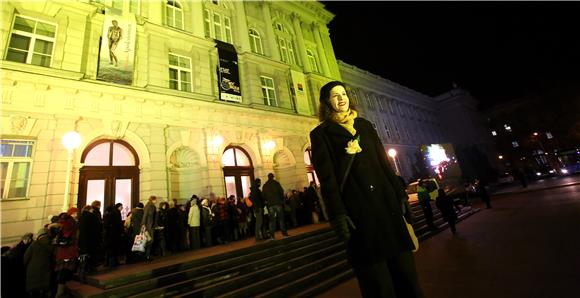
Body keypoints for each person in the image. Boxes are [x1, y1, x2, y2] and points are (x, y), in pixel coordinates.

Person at [309, 81, 423, 298]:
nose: (341, 98)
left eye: (343, 93)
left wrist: (399, 194)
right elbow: (328, 179)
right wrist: (338, 213)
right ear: (327, 102)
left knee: (407, 277)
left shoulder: (365, 126)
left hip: (387, 206)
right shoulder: (321, 134)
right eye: (335, 95)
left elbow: (384, 164)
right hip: (359, 212)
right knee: (378, 284)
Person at [23, 228, 54, 298]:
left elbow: (25, 257)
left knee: (33, 292)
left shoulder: (34, 244)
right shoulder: (52, 245)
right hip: (46, 272)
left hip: (32, 273)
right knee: (43, 291)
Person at [262, 173, 289, 239]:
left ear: (268, 177)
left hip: (270, 205)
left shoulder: (265, 185)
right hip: (278, 203)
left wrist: (266, 201)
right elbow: (281, 191)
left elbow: (263, 195)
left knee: (271, 221)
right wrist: (281, 199)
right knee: (281, 219)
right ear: (273, 177)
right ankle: (284, 234)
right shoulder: (276, 183)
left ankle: (272, 236)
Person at [142, 196, 157, 260]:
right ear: (153, 200)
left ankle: (147, 255)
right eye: (156, 200)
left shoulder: (149, 205)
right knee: (150, 240)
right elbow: (146, 215)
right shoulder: (150, 206)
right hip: (149, 226)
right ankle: (147, 255)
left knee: (149, 240)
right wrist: (143, 224)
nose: (156, 201)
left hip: (149, 225)